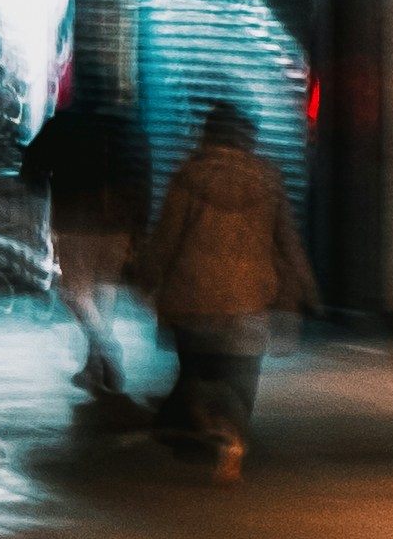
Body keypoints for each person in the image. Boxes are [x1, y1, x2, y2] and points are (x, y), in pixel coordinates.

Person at [128, 99, 311, 480]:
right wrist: (304, 284)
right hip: (250, 299)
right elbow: (287, 240)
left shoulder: (189, 176)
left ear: (207, 134)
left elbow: (168, 236)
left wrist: (146, 274)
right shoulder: (268, 178)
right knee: (241, 376)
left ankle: (206, 422)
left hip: (193, 296)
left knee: (197, 370)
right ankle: (231, 437)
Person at [23, 68, 149, 414]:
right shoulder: (127, 127)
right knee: (103, 293)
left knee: (75, 292)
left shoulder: (64, 123)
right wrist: (139, 223)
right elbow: (142, 175)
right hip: (118, 223)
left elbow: (31, 165)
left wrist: (50, 182)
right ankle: (95, 371)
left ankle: (107, 350)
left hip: (76, 219)